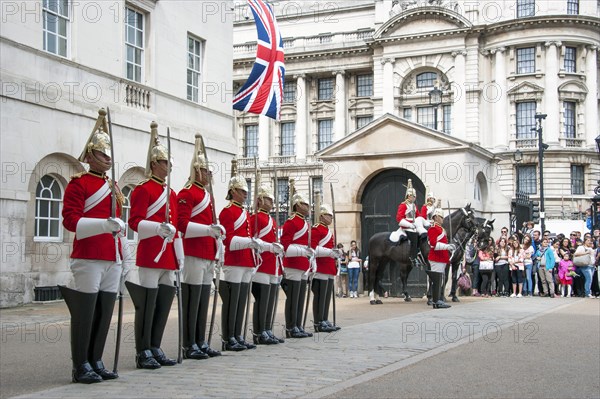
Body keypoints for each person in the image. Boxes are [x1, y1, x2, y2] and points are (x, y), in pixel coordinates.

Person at [59, 109, 124, 384]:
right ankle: (80, 364)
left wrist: (123, 251)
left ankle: (96, 359)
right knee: (86, 312)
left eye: (109, 155)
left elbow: (120, 223)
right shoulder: (79, 183)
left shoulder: (114, 185)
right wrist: (102, 225)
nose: (107, 159)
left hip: (112, 255)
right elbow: (71, 221)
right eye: (101, 154)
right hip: (88, 255)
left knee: (104, 310)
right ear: (89, 156)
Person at [125, 121, 179, 369]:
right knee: (147, 304)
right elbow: (134, 222)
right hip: (150, 253)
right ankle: (142, 349)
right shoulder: (143, 189)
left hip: (167, 255)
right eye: (165, 162)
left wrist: (179, 259)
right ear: (154, 164)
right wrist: (157, 228)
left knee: (164, 303)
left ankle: (155, 345)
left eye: (169, 162)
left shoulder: (172, 194)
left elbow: (176, 228)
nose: (168, 167)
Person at [176, 134, 223, 359]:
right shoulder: (187, 193)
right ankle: (189, 343)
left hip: (207, 252)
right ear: (197, 171)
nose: (209, 175)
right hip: (194, 251)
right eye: (206, 171)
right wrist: (207, 231)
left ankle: (200, 340)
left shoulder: (208, 195)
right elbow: (182, 225)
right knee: (192, 299)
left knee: (203, 298)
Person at [217, 160, 259, 351]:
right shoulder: (227, 211)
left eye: (246, 192)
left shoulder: (243, 211)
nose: (245, 194)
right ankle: (228, 338)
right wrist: (248, 242)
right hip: (234, 260)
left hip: (245, 260)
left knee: (242, 300)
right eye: (242, 191)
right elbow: (229, 240)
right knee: (232, 301)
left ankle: (237, 334)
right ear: (233, 191)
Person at [249, 181, 285, 345]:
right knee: (262, 299)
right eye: (268, 200)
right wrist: (269, 248)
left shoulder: (271, 220)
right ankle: (259, 331)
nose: (271, 203)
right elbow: (252, 241)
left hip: (272, 264)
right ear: (260, 200)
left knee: (270, 299)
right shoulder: (255, 218)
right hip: (261, 263)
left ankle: (267, 328)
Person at [280, 191, 314, 338]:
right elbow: (285, 246)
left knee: (300, 298)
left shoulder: (305, 223)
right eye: (305, 204)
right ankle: (290, 327)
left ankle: (298, 325)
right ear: (298, 205)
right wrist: (302, 252)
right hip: (293, 263)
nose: (308, 207)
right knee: (293, 298)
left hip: (302, 264)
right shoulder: (291, 222)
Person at [311, 203, 342, 332]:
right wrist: (329, 252)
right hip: (321, 266)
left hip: (329, 267)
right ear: (322, 216)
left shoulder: (328, 230)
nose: (331, 218)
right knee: (320, 296)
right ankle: (318, 322)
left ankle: (324, 318)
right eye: (329, 216)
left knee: (327, 296)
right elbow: (313, 248)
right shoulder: (316, 229)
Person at [390, 179, 423, 268]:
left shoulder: (414, 206)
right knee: (414, 237)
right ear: (408, 196)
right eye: (412, 196)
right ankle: (413, 257)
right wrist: (410, 224)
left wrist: (422, 222)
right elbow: (399, 218)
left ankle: (420, 253)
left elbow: (418, 216)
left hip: (414, 225)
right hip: (406, 226)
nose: (414, 198)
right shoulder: (403, 205)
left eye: (415, 197)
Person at [426, 208, 455, 308]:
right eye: (441, 217)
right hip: (436, 258)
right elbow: (433, 244)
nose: (443, 219)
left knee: (440, 280)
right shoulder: (433, 228)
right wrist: (447, 246)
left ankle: (438, 300)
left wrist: (449, 248)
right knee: (437, 280)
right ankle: (436, 301)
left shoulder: (441, 229)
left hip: (441, 258)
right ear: (436, 217)